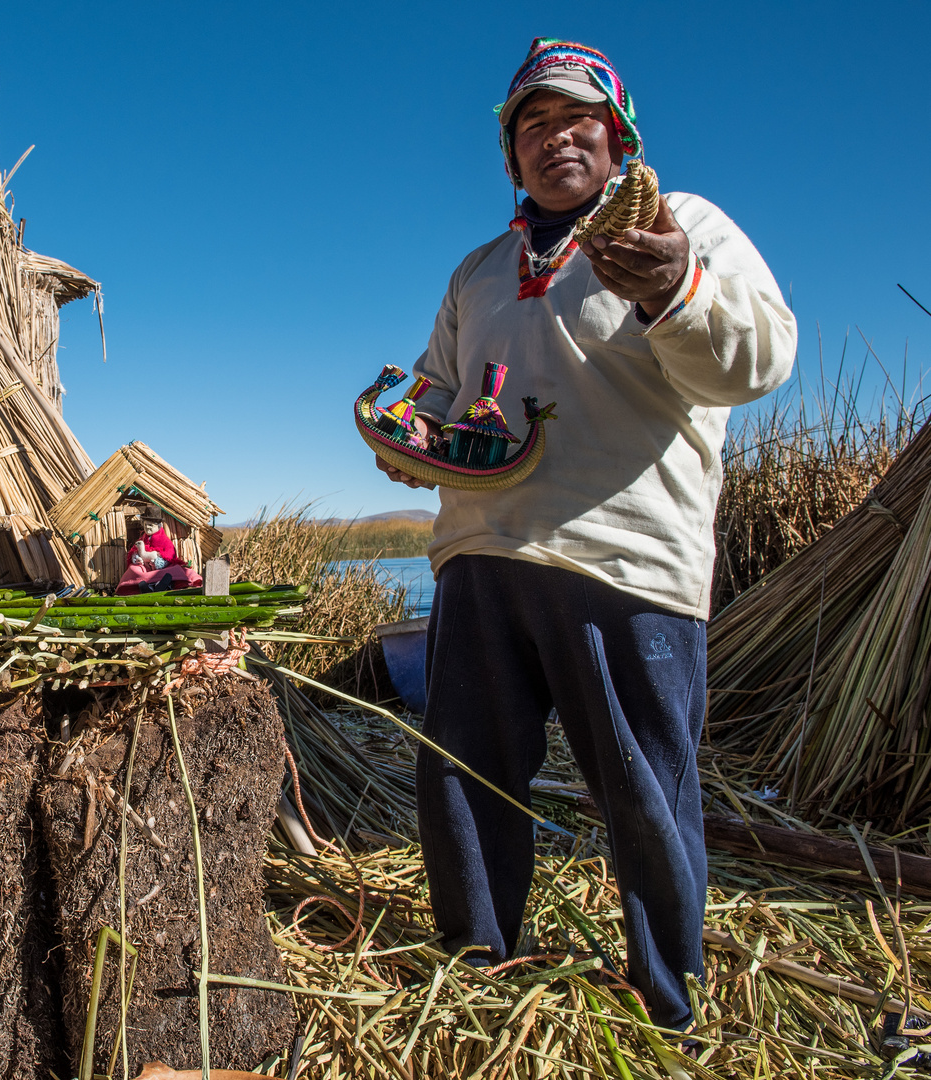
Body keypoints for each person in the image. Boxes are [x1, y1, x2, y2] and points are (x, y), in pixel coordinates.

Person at [376, 38, 796, 1033]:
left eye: (576, 121)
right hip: (481, 554)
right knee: (467, 777)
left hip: (625, 557)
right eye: (531, 124)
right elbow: (435, 393)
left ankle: (669, 1002)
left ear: (618, 138)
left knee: (644, 797)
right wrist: (410, 436)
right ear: (510, 154)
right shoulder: (478, 271)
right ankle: (478, 972)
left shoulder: (683, 225)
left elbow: (759, 359)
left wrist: (670, 285)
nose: (553, 137)